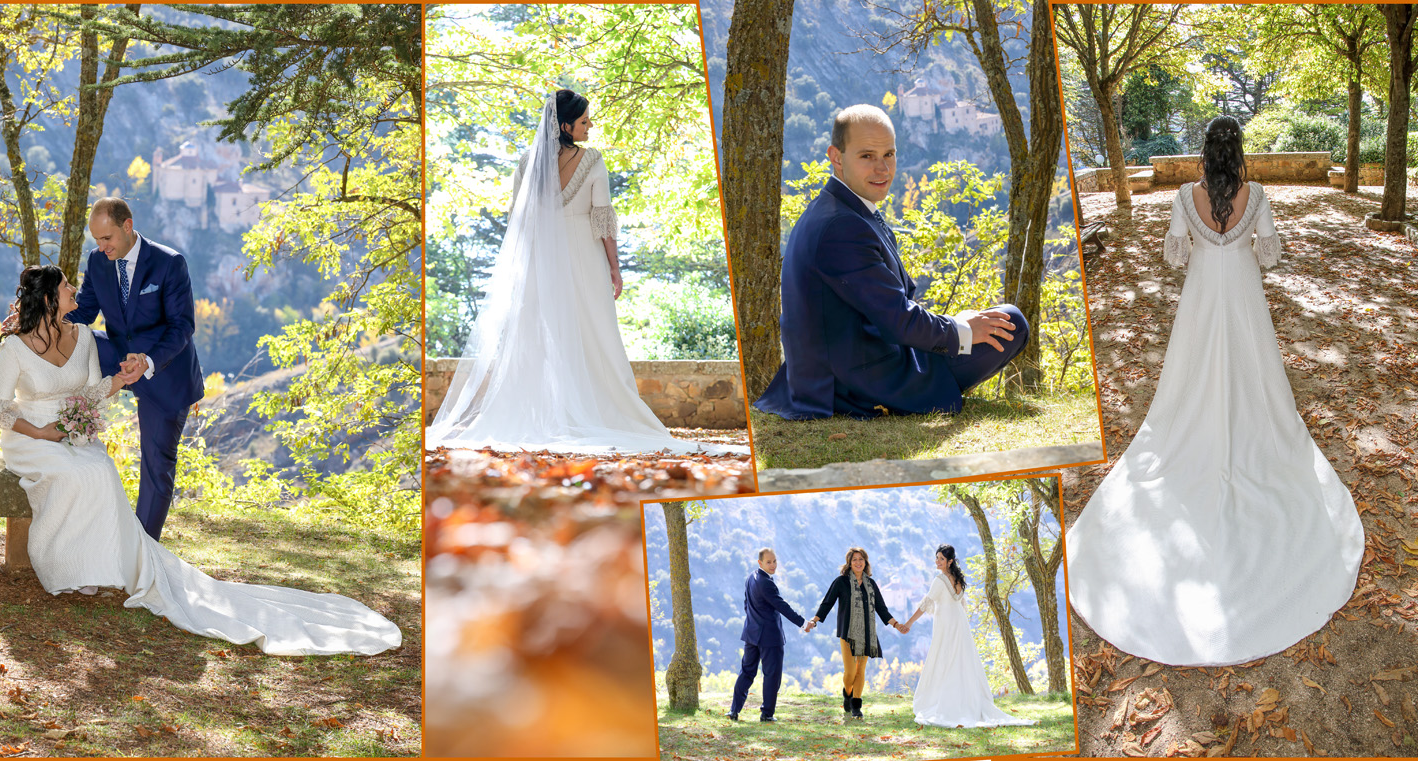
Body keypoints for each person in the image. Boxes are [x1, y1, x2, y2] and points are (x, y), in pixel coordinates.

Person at [1065, 116, 1365, 667]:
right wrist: (1245, 243)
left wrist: (1203, 244)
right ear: (1240, 152)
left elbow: (1174, 256)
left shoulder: (1184, 194)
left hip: (1204, 294)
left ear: (1206, 152)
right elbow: (1271, 255)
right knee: (1255, 374)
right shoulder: (1256, 195)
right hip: (1243, 293)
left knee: (1191, 376)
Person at [0, 265, 401, 656]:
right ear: (50, 299)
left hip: (75, 431)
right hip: (31, 436)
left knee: (98, 470)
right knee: (74, 474)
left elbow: (92, 393)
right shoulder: (16, 348)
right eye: (66, 287)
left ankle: (99, 569)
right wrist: (40, 431)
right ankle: (65, 567)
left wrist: (121, 381)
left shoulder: (85, 338)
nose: (75, 291)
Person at [425, 89, 747, 455]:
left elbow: (518, 221)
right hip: (584, 256)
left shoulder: (528, 162)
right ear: (565, 125)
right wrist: (614, 266)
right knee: (597, 332)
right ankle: (600, 410)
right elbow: (602, 218)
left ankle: (548, 411)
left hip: (541, 261)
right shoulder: (592, 160)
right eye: (583, 121)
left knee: (542, 336)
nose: (590, 125)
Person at [754, 104, 1029, 420]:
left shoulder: (838, 209)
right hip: (858, 384)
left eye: (889, 154)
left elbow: (886, 304)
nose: (882, 169)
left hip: (851, 363)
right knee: (1012, 322)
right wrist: (962, 330)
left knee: (992, 320)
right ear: (836, 156)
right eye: (867, 156)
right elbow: (898, 320)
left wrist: (958, 321)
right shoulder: (841, 226)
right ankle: (927, 392)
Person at [66, 198, 204, 541]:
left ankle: (143, 552)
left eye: (107, 238)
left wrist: (148, 361)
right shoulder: (98, 262)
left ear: (128, 226)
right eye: (96, 240)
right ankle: (53, 436)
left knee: (157, 466)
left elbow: (182, 327)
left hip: (165, 370)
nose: (102, 247)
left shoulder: (170, 264)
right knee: (76, 341)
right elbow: (83, 313)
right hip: (117, 355)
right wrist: (36, 324)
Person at [901, 545, 1035, 727]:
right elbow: (960, 604)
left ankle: (949, 703)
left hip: (948, 625)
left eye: (941, 558)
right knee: (960, 660)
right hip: (959, 624)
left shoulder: (939, 580)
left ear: (949, 562)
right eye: (936, 558)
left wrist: (909, 623)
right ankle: (965, 701)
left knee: (946, 659)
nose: (937, 561)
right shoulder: (957, 579)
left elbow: (926, 604)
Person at [804, 547, 904, 720]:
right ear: (849, 563)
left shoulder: (871, 584)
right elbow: (827, 602)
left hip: (867, 633)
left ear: (866, 562)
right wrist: (814, 620)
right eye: (855, 559)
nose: (858, 562)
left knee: (861, 670)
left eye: (861, 559)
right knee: (850, 672)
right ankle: (847, 694)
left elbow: (881, 608)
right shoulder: (841, 582)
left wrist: (896, 624)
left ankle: (856, 706)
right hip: (847, 632)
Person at [728, 548, 805, 722]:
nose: (773, 565)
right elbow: (782, 606)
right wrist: (802, 623)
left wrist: (753, 622)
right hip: (769, 637)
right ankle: (767, 714)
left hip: (751, 633)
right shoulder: (766, 582)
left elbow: (746, 605)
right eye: (769, 562)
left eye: (775, 561)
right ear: (760, 562)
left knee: (746, 672)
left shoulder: (750, 578)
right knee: (772, 675)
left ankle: (734, 710)